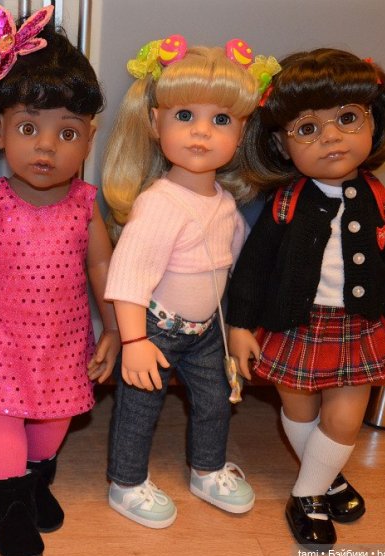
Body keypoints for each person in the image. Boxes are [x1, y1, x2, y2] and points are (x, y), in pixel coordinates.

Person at [0, 5, 120, 556]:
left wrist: (113, 329)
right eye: (28, 128)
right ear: (1, 131)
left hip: (65, 339)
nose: (46, 146)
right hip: (4, 337)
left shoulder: (85, 204)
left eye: (68, 132)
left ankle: (36, 480)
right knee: (5, 415)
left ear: (88, 141)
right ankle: (8, 501)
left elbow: (102, 268)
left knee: (57, 417)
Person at [227, 48, 385, 548]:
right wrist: (239, 325)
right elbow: (252, 269)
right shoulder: (284, 204)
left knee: (345, 420)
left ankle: (306, 493)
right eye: (307, 128)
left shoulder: (383, 204)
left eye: (347, 119)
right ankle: (327, 478)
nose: (331, 137)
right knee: (301, 412)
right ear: (282, 144)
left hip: (358, 327)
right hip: (294, 325)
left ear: (374, 121)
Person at [103, 36, 278, 529]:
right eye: (184, 116)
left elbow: (238, 269)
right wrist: (133, 340)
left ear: (242, 132)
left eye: (220, 120)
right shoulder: (159, 204)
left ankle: (208, 468)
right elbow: (129, 278)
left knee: (216, 401)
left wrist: (239, 326)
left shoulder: (224, 202)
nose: (201, 132)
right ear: (154, 122)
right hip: (156, 329)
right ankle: (126, 482)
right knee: (139, 408)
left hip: (207, 332)